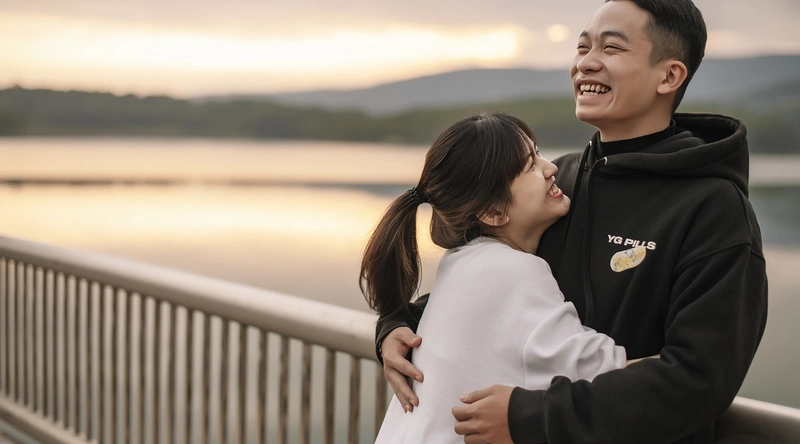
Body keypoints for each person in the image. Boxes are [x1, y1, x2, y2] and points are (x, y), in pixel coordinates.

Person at [376, 0, 769, 443]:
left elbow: (701, 377)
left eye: (611, 48)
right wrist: (395, 327)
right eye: (583, 48)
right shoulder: (555, 185)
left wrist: (531, 417)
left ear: (669, 76)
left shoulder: (714, 210)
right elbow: (483, 288)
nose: (586, 63)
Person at [361, 112, 629, 443]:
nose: (550, 168)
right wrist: (682, 367)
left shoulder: (460, 260)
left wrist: (389, 326)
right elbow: (603, 371)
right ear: (493, 212)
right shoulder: (513, 271)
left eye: (538, 153)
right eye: (530, 166)